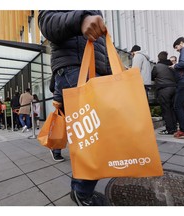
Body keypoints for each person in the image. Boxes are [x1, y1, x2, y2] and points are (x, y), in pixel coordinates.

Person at [38, 10, 111, 206]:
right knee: (91, 137)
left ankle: (80, 189)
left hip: (89, 70)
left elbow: (101, 47)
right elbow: (47, 21)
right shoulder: (82, 13)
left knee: (88, 135)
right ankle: (82, 192)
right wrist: (81, 19)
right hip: (76, 69)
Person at [152, 51, 177, 135]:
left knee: (166, 110)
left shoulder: (157, 66)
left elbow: (152, 77)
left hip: (164, 89)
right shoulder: (171, 66)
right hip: (174, 88)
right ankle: (174, 128)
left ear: (158, 58)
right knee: (172, 109)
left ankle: (169, 129)